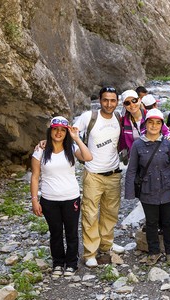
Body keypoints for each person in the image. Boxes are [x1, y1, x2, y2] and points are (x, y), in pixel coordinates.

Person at [30, 116, 93, 278]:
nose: (59, 133)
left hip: (71, 198)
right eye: (55, 129)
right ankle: (58, 262)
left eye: (62, 130)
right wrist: (34, 200)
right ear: (50, 130)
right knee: (56, 232)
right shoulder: (41, 150)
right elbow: (35, 177)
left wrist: (76, 138)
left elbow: (88, 157)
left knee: (71, 232)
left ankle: (71, 263)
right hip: (49, 200)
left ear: (66, 132)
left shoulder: (71, 149)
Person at [73, 86, 124, 268]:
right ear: (99, 101)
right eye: (105, 100)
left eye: (112, 100)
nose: (109, 104)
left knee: (110, 213)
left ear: (117, 101)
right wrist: (78, 153)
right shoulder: (89, 117)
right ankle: (90, 252)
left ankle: (106, 244)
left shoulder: (119, 118)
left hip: (113, 174)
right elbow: (72, 135)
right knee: (90, 214)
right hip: (93, 174)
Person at [125, 109, 170, 266]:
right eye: (151, 122)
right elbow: (132, 170)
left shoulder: (168, 144)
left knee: (168, 222)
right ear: (146, 124)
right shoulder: (137, 145)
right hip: (147, 190)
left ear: (162, 125)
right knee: (151, 223)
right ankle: (154, 252)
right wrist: (129, 193)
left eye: (158, 123)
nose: (154, 126)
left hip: (167, 190)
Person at [120, 90, 170, 155]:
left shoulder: (150, 115)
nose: (132, 105)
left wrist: (168, 140)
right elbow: (122, 141)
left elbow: (167, 132)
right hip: (135, 157)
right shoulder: (123, 121)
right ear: (124, 105)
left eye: (134, 101)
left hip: (154, 155)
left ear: (139, 100)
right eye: (127, 103)